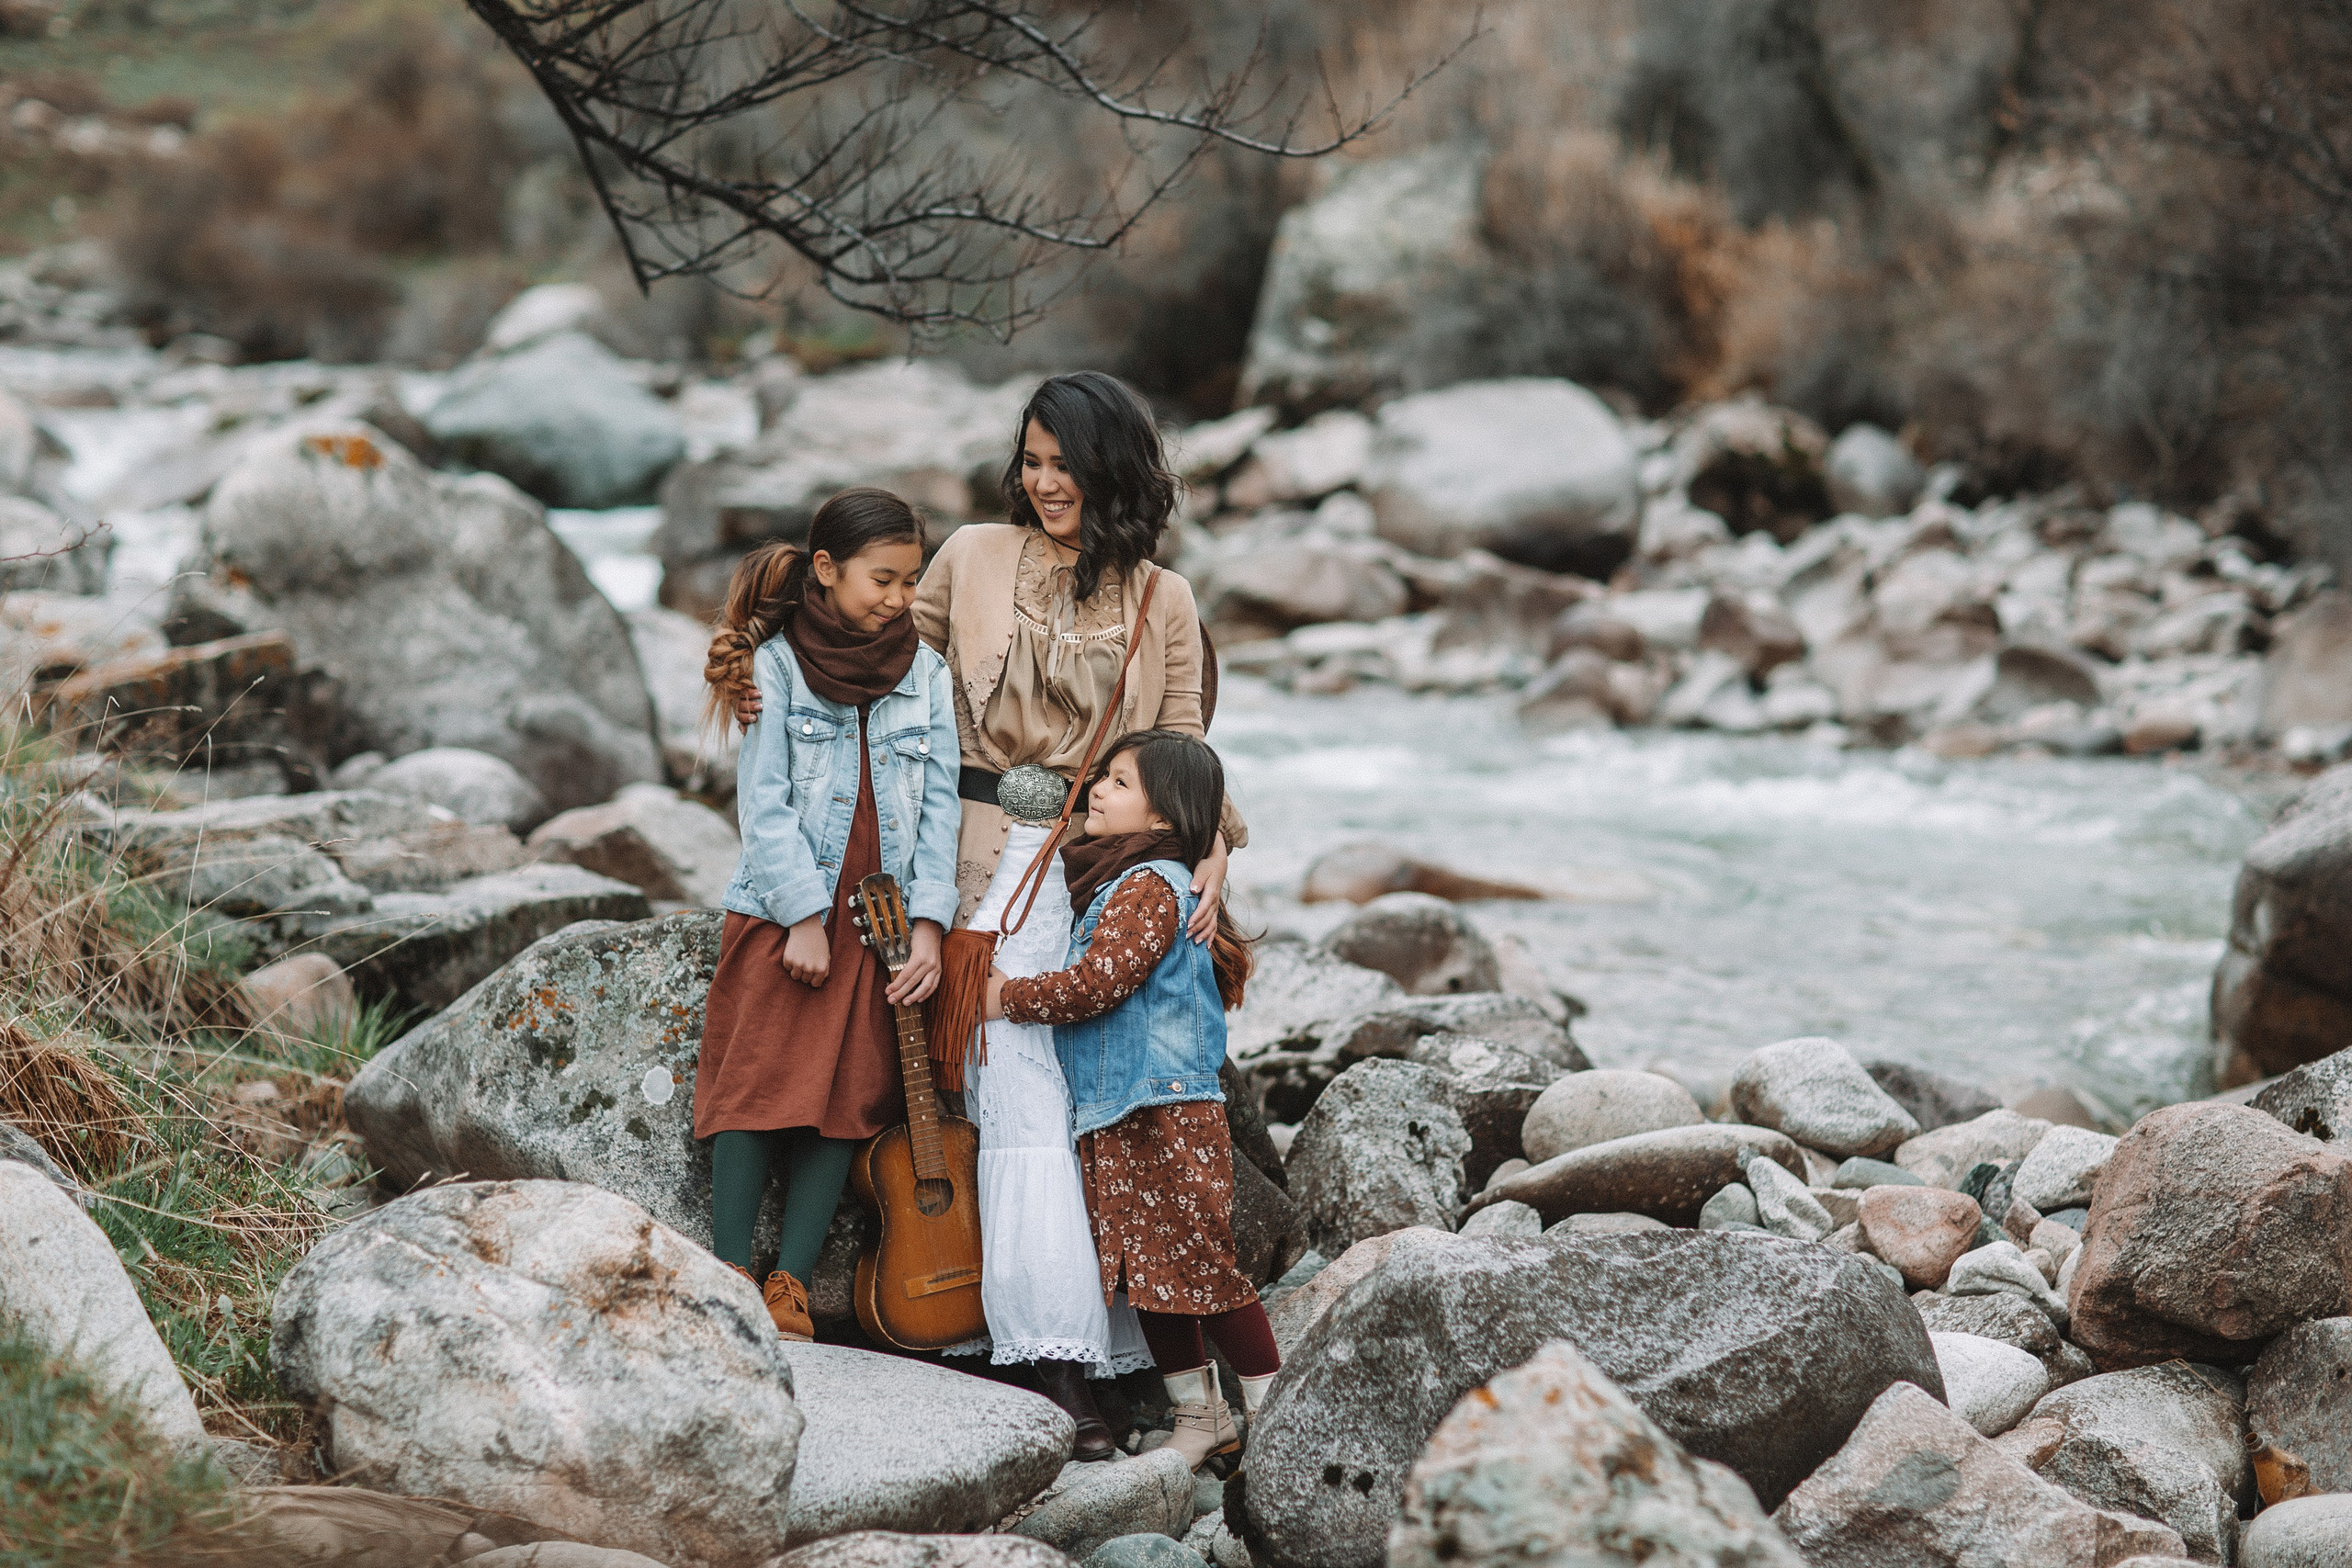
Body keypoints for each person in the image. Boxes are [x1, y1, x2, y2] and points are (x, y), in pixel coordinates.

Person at [730, 372, 1245, 1458]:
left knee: (1088, 1114)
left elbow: (1189, 754)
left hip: (1098, 874)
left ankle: (1116, 1359)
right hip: (966, 867)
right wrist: (754, 663)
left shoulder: (1169, 599)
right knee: (1012, 1102)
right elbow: (863, 652)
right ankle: (1043, 1357)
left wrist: (1217, 858)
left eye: (1064, 463)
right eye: (1031, 460)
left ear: (1115, 470)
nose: (1043, 482)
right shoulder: (967, 555)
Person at [694, 487, 960, 1342]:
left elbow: (942, 808)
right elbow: (762, 801)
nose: (897, 598)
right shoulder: (774, 666)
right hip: (789, 912)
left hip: (882, 926)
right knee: (755, 1079)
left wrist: (928, 924)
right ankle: (731, 1268)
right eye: (881, 579)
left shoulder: (925, 672)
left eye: (910, 581)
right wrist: (802, 914)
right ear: (825, 569)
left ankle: (793, 1283)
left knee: (847, 1099)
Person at [983, 728, 1273, 1470]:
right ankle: (1200, 1415)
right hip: (1120, 1111)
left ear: (1165, 817)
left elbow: (1096, 984)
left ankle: (1276, 1405)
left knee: (1203, 1263)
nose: (1097, 792)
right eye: (1102, 778)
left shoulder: (1150, 886)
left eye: (1117, 781)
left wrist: (1005, 997)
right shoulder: (1120, 879)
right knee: (1145, 1267)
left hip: (1166, 1110)